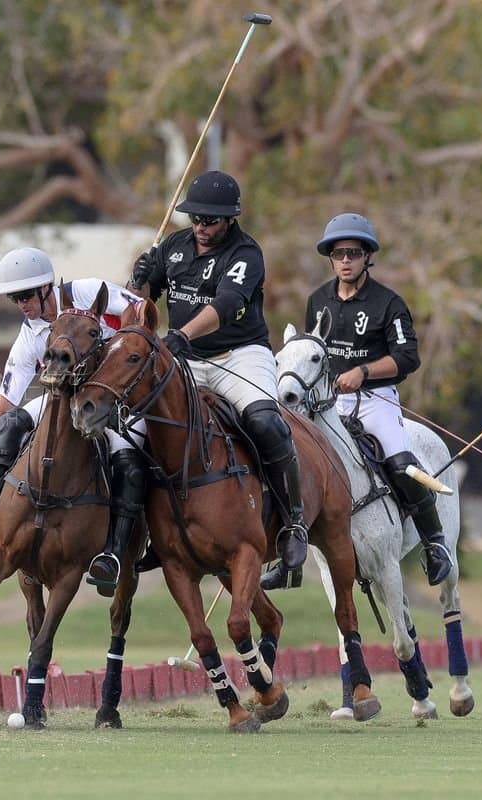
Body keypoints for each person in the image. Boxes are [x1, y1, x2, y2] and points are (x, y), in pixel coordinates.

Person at [130, 170, 308, 589]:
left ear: (230, 219)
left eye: (209, 220)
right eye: (195, 219)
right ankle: (149, 533)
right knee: (139, 432)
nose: (201, 227)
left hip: (240, 356)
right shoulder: (173, 247)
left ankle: (292, 523)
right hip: (186, 360)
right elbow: (141, 305)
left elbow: (226, 304)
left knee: (266, 423)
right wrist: (138, 282)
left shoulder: (247, 253)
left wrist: (181, 334)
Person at [0, 245, 147, 594]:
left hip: (117, 402)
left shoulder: (86, 291)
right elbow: (4, 401)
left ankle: (119, 551)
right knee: (10, 424)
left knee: (135, 463)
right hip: (62, 405)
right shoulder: (29, 337)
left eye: (27, 294)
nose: (22, 304)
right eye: (14, 298)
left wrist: (135, 311)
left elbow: (139, 311)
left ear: (47, 287)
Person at [303, 212, 452, 585]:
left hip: (376, 400)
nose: (346, 261)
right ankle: (288, 556)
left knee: (402, 464)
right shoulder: (318, 300)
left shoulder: (388, 303)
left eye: (353, 252)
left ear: (368, 255)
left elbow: (408, 357)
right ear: (331, 258)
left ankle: (435, 545)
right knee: (294, 458)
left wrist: (364, 372)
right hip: (329, 402)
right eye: (338, 254)